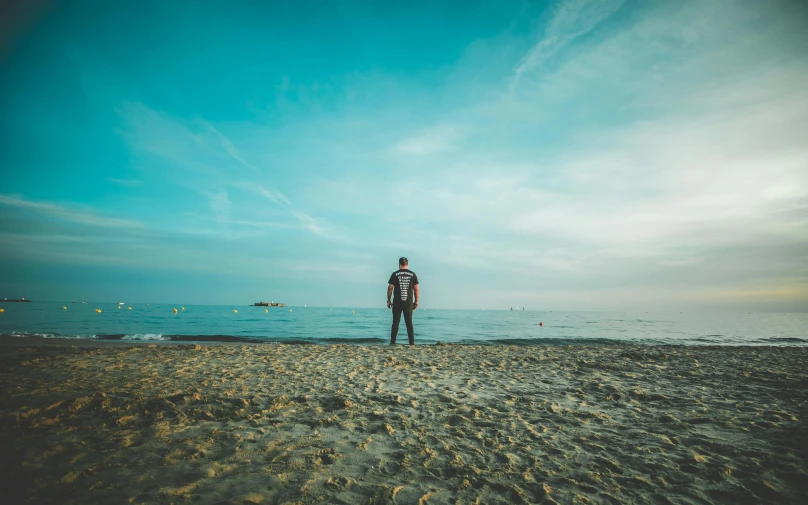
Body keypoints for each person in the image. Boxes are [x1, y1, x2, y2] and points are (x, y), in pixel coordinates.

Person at [387, 257, 419, 345]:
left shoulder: (395, 274)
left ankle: (393, 342)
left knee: (395, 323)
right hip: (408, 303)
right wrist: (416, 301)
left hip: (397, 302)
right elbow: (416, 289)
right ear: (407, 264)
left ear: (399, 264)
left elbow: (390, 288)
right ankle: (411, 343)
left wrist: (388, 300)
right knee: (409, 323)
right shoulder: (413, 274)